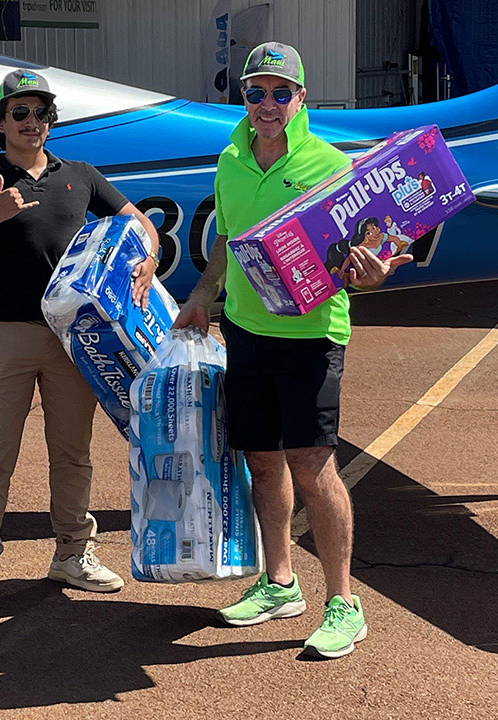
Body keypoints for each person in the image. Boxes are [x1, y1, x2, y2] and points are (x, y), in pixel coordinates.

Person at [172, 43, 412, 659]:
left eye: (281, 92)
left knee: (311, 464)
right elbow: (226, 237)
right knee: (262, 461)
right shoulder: (230, 160)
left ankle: (344, 603)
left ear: (301, 98)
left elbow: (369, 255)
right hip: (247, 332)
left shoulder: (330, 164)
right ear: (244, 98)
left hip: (311, 336)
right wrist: (203, 293)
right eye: (256, 92)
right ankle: (280, 583)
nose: (268, 104)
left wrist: (372, 274)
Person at [0, 69, 159, 613]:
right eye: (20, 113)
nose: (33, 122)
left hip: (73, 339)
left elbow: (139, 223)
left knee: (72, 453)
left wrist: (149, 258)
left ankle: (72, 552)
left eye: (42, 112)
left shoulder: (82, 176)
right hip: (4, 334)